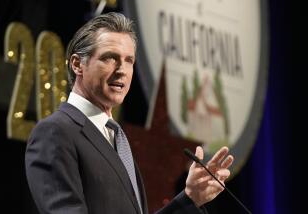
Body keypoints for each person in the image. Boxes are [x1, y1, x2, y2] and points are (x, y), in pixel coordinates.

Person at [25, 12, 234, 214]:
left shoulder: (115, 137)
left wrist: (190, 198)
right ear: (78, 64)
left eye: (129, 60)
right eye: (109, 58)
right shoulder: (55, 132)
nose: (122, 70)